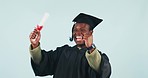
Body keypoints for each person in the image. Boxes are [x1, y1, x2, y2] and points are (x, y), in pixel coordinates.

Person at [29, 13, 111, 78]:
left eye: (82, 30)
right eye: (75, 30)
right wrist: (35, 45)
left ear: (91, 33)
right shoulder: (63, 52)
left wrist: (90, 47)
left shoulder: (98, 57)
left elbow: (102, 71)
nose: (77, 33)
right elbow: (43, 62)